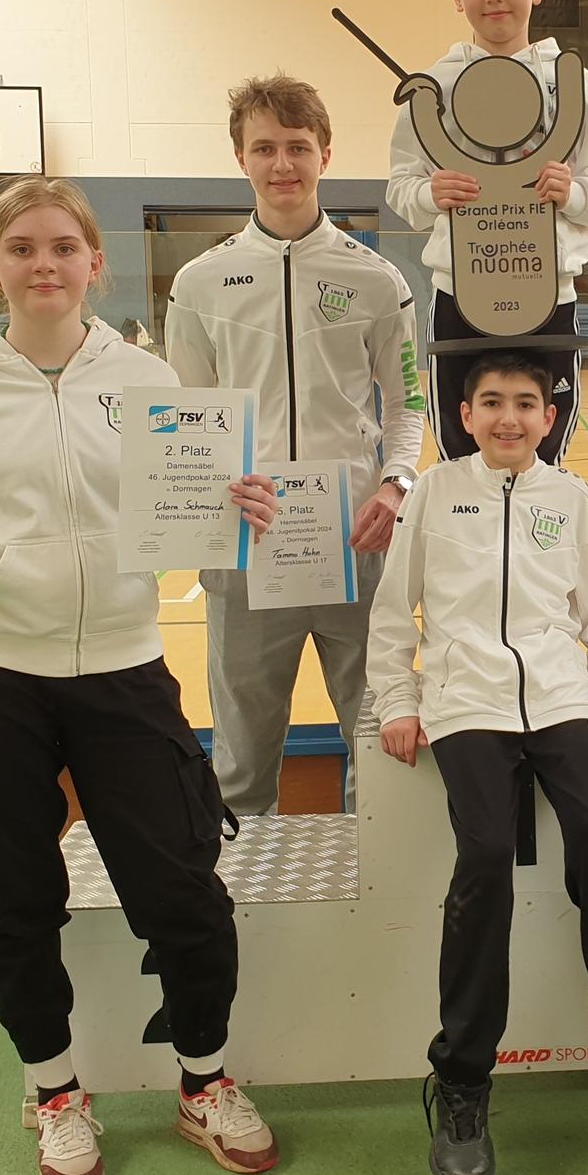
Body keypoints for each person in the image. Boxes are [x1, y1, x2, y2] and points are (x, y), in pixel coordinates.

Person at [0, 177, 280, 1175]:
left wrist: (234, 501)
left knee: (182, 889)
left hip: (123, 671)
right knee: (15, 899)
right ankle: (53, 1090)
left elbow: (182, 505)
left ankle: (204, 1077)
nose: (43, 263)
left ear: (95, 260)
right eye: (22, 248)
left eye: (63, 246)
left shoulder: (146, 375)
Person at [366, 350, 588, 1175]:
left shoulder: (570, 498)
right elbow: (395, 612)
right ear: (464, 415)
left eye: (526, 403)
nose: (508, 416)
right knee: (483, 864)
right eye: (492, 402)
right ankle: (462, 1078)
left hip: (561, 698)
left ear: (549, 417)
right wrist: (398, 699)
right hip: (467, 703)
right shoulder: (434, 492)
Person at [165, 73, 426, 816]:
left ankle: (377, 906)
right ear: (240, 157)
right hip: (246, 545)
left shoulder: (376, 279)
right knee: (242, 759)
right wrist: (216, 492)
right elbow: (189, 417)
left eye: (298, 147)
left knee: (376, 743)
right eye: (265, 148)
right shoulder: (200, 282)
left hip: (356, 540)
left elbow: (408, 403)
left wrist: (395, 484)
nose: (283, 163)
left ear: (326, 153)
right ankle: (240, 918)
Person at [387, 0, 588, 465]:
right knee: (459, 450)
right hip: (460, 298)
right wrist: (430, 194)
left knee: (544, 457)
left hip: (549, 297)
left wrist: (573, 192)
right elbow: (401, 187)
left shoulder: (575, 84)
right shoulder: (434, 86)